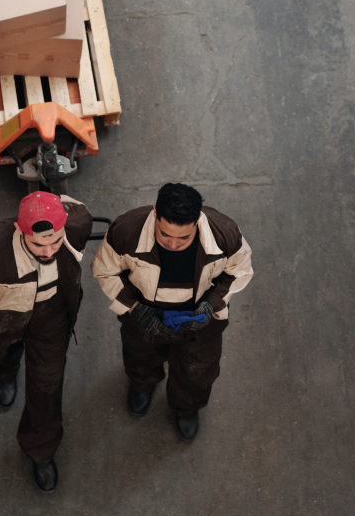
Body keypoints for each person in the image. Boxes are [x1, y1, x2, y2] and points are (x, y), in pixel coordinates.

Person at [0, 190, 93, 494]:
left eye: (56, 241)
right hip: (2, 322)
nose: (49, 251)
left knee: (48, 386)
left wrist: (48, 197)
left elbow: (74, 205)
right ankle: (4, 372)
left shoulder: (77, 224)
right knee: (1, 356)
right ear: (20, 231)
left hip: (52, 318)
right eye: (38, 243)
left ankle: (41, 449)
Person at [92, 181, 252, 441]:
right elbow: (104, 270)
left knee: (198, 370)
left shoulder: (225, 234)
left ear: (198, 220)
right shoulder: (125, 231)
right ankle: (143, 384)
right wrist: (134, 308)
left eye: (183, 237)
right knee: (140, 357)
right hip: (142, 316)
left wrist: (211, 304)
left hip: (202, 321)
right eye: (165, 234)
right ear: (155, 213)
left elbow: (240, 271)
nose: (173, 244)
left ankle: (186, 407)